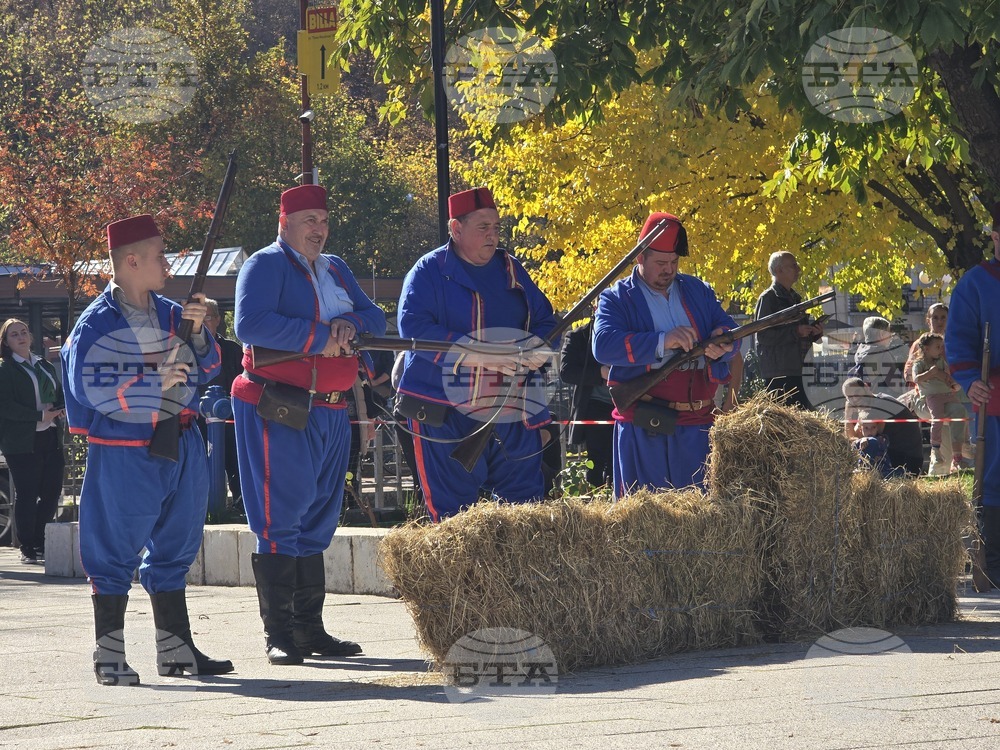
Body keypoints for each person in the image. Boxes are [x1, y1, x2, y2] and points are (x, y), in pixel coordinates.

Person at [62, 214, 232, 686]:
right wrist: (150, 384)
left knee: (177, 548)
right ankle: (109, 657)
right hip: (124, 449)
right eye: (159, 255)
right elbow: (87, 385)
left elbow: (212, 365)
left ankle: (176, 652)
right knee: (113, 552)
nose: (167, 263)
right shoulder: (95, 323)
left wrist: (198, 332)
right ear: (131, 261)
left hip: (183, 440)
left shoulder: (175, 313)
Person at [232, 184, 386, 665]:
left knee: (319, 514)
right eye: (309, 221)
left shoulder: (336, 266)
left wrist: (350, 328)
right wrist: (319, 337)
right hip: (279, 404)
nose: (319, 229)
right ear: (284, 222)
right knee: (281, 514)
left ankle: (310, 629)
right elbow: (249, 325)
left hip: (333, 407)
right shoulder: (264, 265)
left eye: (323, 220)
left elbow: (375, 317)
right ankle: (279, 633)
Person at [395, 187, 558, 522]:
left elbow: (546, 321)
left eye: (496, 228)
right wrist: (477, 354)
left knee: (525, 506)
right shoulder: (427, 271)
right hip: (443, 408)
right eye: (483, 227)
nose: (493, 235)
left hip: (511, 402)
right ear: (456, 229)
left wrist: (536, 349)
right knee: (453, 515)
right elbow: (413, 329)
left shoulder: (511, 269)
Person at [593, 212, 736, 496]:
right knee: (646, 522)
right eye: (660, 262)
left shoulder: (697, 290)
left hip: (698, 425)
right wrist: (663, 341)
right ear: (640, 258)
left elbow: (729, 329)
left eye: (673, 262)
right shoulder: (616, 297)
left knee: (700, 522)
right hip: (645, 424)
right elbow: (603, 345)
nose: (668, 269)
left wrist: (724, 343)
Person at [945, 201, 1000, 588]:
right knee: (994, 478)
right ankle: (994, 565)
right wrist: (969, 380)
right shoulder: (976, 282)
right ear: (995, 237)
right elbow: (960, 340)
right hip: (996, 394)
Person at [0, 319, 65, 564]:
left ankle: (42, 541)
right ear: (6, 342)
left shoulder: (44, 365)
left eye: (24, 332)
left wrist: (59, 409)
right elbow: (5, 406)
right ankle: (28, 546)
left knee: (51, 492)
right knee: (27, 494)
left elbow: (58, 392)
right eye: (14, 334)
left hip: (49, 434)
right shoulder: (5, 369)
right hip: (21, 441)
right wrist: (38, 415)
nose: (21, 337)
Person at [754, 251, 823, 409]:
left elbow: (797, 335)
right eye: (793, 265)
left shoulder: (795, 298)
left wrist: (813, 333)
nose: (798, 269)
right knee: (785, 429)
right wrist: (796, 332)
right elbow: (763, 336)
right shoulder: (768, 298)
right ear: (778, 270)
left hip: (799, 372)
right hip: (780, 375)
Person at [198, 299, 244, 509]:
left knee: (237, 465)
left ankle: (240, 507)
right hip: (198, 422)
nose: (203, 323)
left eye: (207, 317)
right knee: (200, 468)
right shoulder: (186, 350)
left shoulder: (233, 350)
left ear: (217, 320)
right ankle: (205, 509)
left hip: (232, 421)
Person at [559, 318, 614, 488]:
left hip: (627, 404)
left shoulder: (628, 329)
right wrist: (600, 373)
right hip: (595, 405)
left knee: (621, 458)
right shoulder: (578, 336)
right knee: (596, 460)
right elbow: (566, 372)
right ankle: (597, 497)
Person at [912, 332, 970, 473]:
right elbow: (916, 379)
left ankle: (961, 452)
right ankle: (936, 450)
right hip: (932, 397)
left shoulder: (941, 362)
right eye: (938, 347)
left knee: (962, 413)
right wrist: (931, 373)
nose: (941, 350)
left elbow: (947, 377)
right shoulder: (919, 363)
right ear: (926, 349)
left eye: (941, 346)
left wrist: (953, 384)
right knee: (937, 418)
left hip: (947, 394)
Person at [842, 377, 924, 476]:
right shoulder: (865, 411)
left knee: (869, 443)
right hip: (894, 460)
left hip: (907, 465)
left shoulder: (881, 404)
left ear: (866, 388)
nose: (855, 399)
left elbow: (859, 439)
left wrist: (857, 440)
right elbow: (852, 439)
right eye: (849, 397)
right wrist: (847, 415)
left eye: (857, 392)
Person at [852, 316, 907, 391]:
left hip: (865, 398)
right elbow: (895, 385)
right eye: (889, 333)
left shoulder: (859, 353)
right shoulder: (882, 354)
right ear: (882, 334)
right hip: (882, 399)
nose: (891, 336)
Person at [851, 409, 893, 478]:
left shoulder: (882, 439)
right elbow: (852, 447)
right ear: (861, 430)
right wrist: (862, 440)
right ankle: (864, 472)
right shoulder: (857, 443)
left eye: (873, 427)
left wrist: (866, 439)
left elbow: (876, 442)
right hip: (863, 474)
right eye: (866, 428)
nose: (870, 431)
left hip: (883, 472)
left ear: (877, 428)